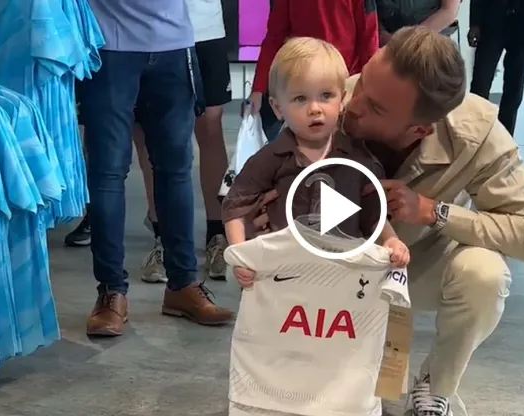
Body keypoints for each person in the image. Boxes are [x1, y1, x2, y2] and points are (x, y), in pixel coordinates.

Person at [249, 26, 524, 416]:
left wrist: (432, 211)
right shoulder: (330, 96)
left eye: (375, 108)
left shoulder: (477, 133)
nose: (352, 104)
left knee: (485, 276)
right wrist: (265, 211)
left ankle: (436, 386)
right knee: (362, 401)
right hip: (336, 269)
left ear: (419, 129)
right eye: (362, 84)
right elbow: (267, 178)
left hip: (418, 264)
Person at [81, 0, 234, 337]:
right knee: (108, 171)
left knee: (176, 168)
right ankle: (111, 292)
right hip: (110, 44)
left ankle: (182, 284)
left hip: (175, 43)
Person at [221, 37, 410, 289]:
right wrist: (240, 256)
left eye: (326, 95)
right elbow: (235, 206)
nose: (315, 109)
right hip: (281, 275)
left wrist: (391, 240)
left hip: (342, 276)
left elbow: (373, 211)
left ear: (342, 99)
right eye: (300, 98)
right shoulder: (269, 159)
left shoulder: (358, 158)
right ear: (277, 108)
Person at [132, 0, 233, 284]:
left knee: (210, 127)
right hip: (148, 30)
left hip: (205, 30)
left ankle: (217, 233)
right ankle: (162, 236)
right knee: (149, 134)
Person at [246, 0, 379, 141]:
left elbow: (369, 40)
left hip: (343, 85)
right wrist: (258, 89)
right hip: (301, 84)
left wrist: (367, 89)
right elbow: (274, 37)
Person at [467, 0, 524, 135]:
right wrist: (475, 23)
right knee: (480, 84)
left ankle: (504, 140)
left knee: (514, 90)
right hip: (491, 20)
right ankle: (474, 136)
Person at [375, 0, 460, 46]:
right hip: (383, 44)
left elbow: (449, 12)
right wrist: (382, 35)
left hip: (431, 46)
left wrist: (407, 39)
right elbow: (368, 6)